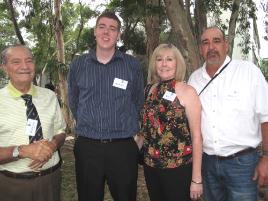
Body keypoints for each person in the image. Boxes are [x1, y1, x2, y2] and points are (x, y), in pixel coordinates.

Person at [68, 11, 144, 201]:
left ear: (118, 35)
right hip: (88, 147)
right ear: (95, 31)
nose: (106, 32)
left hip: (123, 148)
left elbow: (137, 100)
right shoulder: (78, 64)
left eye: (112, 29)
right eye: (102, 27)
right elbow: (74, 101)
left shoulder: (131, 65)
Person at [188, 26, 268, 201]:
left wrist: (266, 158)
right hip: (208, 164)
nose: (211, 47)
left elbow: (266, 118)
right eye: (205, 43)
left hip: (243, 164)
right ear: (201, 49)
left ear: (226, 45)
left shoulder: (248, 72)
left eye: (216, 41)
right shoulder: (194, 80)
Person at [0, 45, 66, 201]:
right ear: (4, 68)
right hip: (12, 185)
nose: (24, 66)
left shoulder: (49, 96)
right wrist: (21, 151)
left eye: (29, 61)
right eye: (16, 62)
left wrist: (53, 144)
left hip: (51, 180)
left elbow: (61, 131)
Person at [139, 43, 203, 201]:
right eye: (159, 59)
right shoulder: (148, 90)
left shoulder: (187, 92)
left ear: (177, 63)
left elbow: (197, 137)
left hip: (178, 170)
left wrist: (196, 179)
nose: (164, 64)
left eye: (169, 59)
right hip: (151, 168)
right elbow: (144, 131)